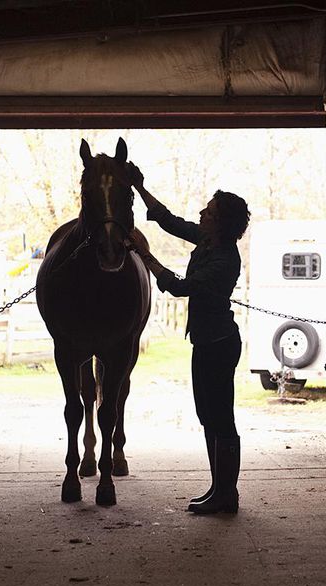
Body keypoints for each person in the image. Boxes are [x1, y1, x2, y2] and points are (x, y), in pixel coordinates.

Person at [125, 164, 250, 515]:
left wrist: (144, 255)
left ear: (219, 222)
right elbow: (169, 221)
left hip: (219, 345)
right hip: (207, 341)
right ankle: (219, 489)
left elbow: (179, 287)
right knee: (208, 416)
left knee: (221, 418)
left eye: (208, 212)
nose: (200, 213)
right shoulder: (210, 241)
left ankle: (227, 494)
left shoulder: (224, 258)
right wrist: (139, 186)